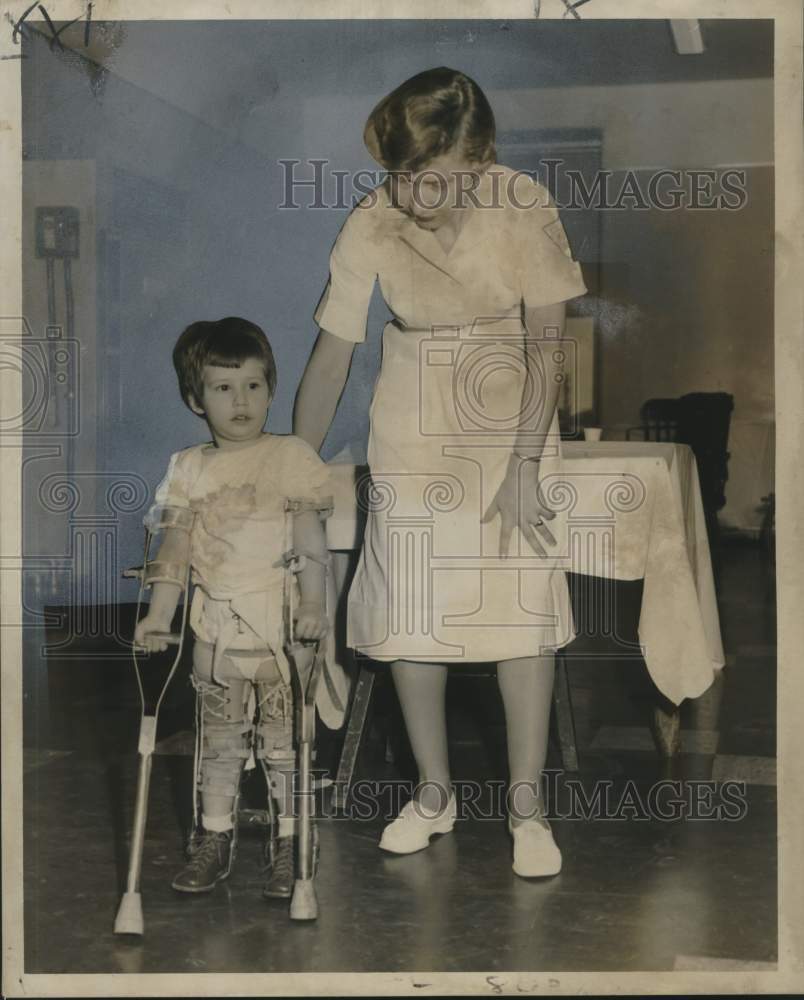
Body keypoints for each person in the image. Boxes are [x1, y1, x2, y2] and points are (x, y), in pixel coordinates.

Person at [294, 68, 586, 877]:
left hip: (511, 420)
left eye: (431, 172)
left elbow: (547, 343)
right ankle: (433, 794)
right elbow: (332, 354)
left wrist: (527, 463)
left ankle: (527, 810)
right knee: (410, 616)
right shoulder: (372, 219)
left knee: (520, 613)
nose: (412, 191)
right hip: (413, 422)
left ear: (478, 153)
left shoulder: (523, 203)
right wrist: (291, 461)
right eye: (399, 172)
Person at [135, 317, 334, 898]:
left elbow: (309, 541)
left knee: (283, 745)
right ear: (196, 400)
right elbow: (175, 549)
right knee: (218, 745)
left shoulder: (291, 457)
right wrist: (158, 616)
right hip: (214, 636)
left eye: (253, 385)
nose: (241, 400)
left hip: (280, 636)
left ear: (271, 389)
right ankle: (213, 837)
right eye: (223, 388)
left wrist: (315, 602)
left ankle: (291, 841)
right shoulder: (188, 468)